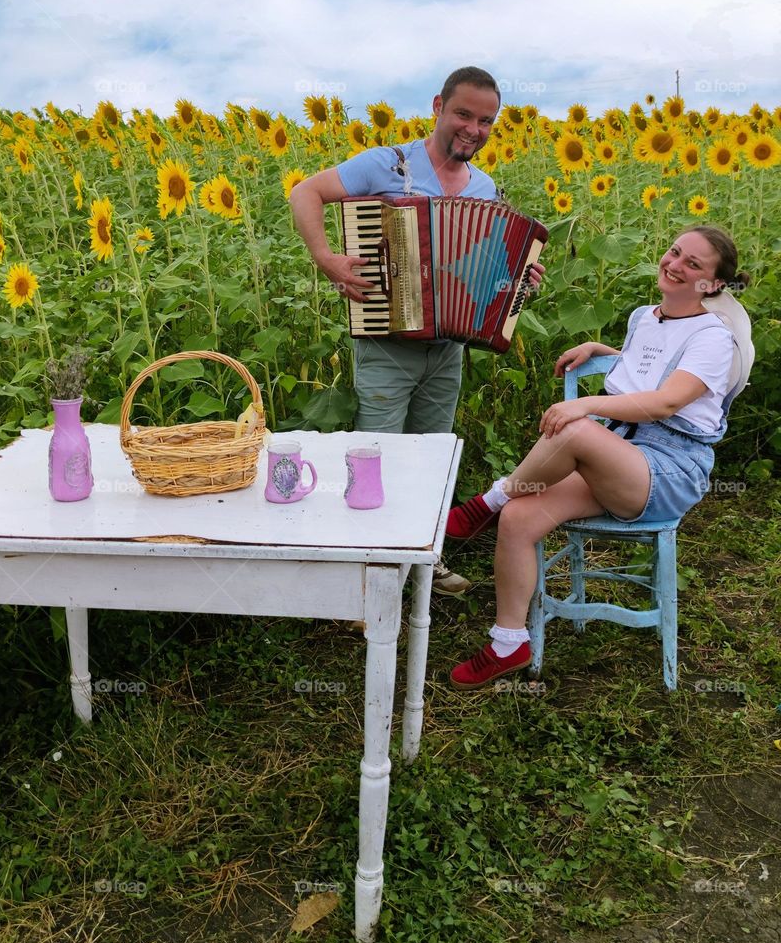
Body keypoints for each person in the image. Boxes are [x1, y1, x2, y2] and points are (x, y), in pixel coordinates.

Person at [446, 226, 752, 688]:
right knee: (521, 519)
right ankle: (509, 642)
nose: (675, 265)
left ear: (712, 285)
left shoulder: (715, 337)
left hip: (667, 470)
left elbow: (667, 401)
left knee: (577, 428)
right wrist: (603, 351)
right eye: (674, 252)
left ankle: (485, 504)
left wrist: (585, 403)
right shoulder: (643, 317)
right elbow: (648, 369)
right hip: (619, 458)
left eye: (694, 265)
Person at [290, 66, 541, 597]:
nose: (473, 128)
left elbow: (482, 269)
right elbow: (304, 193)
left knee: (430, 461)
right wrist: (327, 259)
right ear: (437, 106)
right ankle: (367, 579)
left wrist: (520, 278)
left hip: (447, 349)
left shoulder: (484, 187)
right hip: (386, 343)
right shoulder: (389, 164)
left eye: (486, 120)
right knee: (374, 461)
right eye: (464, 114)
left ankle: (425, 563)